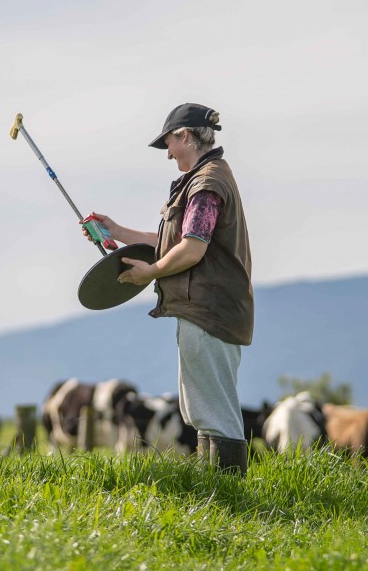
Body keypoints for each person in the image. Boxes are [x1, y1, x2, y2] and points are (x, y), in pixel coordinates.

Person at [87, 103, 254, 475]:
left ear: (185, 136)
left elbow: (192, 248)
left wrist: (152, 271)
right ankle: (218, 493)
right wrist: (117, 231)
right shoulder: (205, 178)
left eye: (169, 143)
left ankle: (229, 499)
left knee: (215, 413)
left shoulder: (206, 183)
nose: (168, 153)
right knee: (203, 411)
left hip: (209, 311)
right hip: (206, 309)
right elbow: (177, 240)